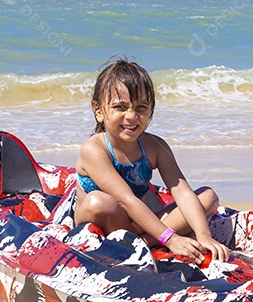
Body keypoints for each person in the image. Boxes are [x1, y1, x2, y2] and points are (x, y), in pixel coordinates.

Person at [74, 58, 230, 264]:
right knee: (101, 202)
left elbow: (182, 191)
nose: (131, 116)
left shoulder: (155, 147)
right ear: (99, 111)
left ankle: (144, 241)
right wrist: (171, 239)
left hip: (139, 225)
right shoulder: (94, 149)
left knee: (208, 197)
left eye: (141, 108)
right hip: (103, 219)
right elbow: (125, 200)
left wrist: (203, 235)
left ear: (151, 111)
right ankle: (152, 239)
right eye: (120, 107)